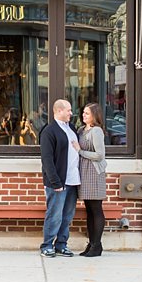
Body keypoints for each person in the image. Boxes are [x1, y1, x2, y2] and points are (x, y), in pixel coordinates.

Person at [39, 99, 80, 257]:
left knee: (67, 215)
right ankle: (47, 245)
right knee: (54, 215)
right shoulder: (49, 131)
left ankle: (61, 244)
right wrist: (55, 181)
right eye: (68, 110)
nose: (71, 113)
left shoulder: (71, 128)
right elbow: (47, 159)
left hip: (72, 180)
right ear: (58, 111)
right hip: (57, 182)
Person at [71, 103, 108, 257]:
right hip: (84, 173)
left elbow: (100, 155)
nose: (83, 116)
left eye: (87, 113)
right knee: (89, 211)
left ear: (95, 115)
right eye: (83, 113)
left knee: (96, 209)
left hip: (94, 173)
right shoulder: (81, 130)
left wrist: (80, 151)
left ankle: (97, 245)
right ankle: (91, 244)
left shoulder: (96, 131)